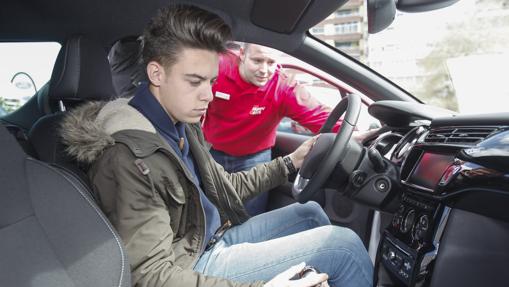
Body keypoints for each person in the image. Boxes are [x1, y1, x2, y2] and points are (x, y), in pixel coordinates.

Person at [61, 4, 373, 287]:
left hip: (214, 235)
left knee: (311, 213)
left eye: (210, 81)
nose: (209, 96)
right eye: (195, 81)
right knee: (342, 246)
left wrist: (291, 161)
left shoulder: (180, 124)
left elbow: (224, 188)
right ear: (156, 73)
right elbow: (153, 276)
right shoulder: (127, 155)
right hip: (194, 262)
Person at [202, 43, 342, 215]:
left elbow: (320, 116)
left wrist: (352, 133)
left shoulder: (282, 87)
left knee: (248, 216)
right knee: (209, 212)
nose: (264, 70)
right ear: (242, 54)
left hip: (256, 160)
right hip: (213, 154)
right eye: (257, 60)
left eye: (271, 62)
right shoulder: (216, 68)